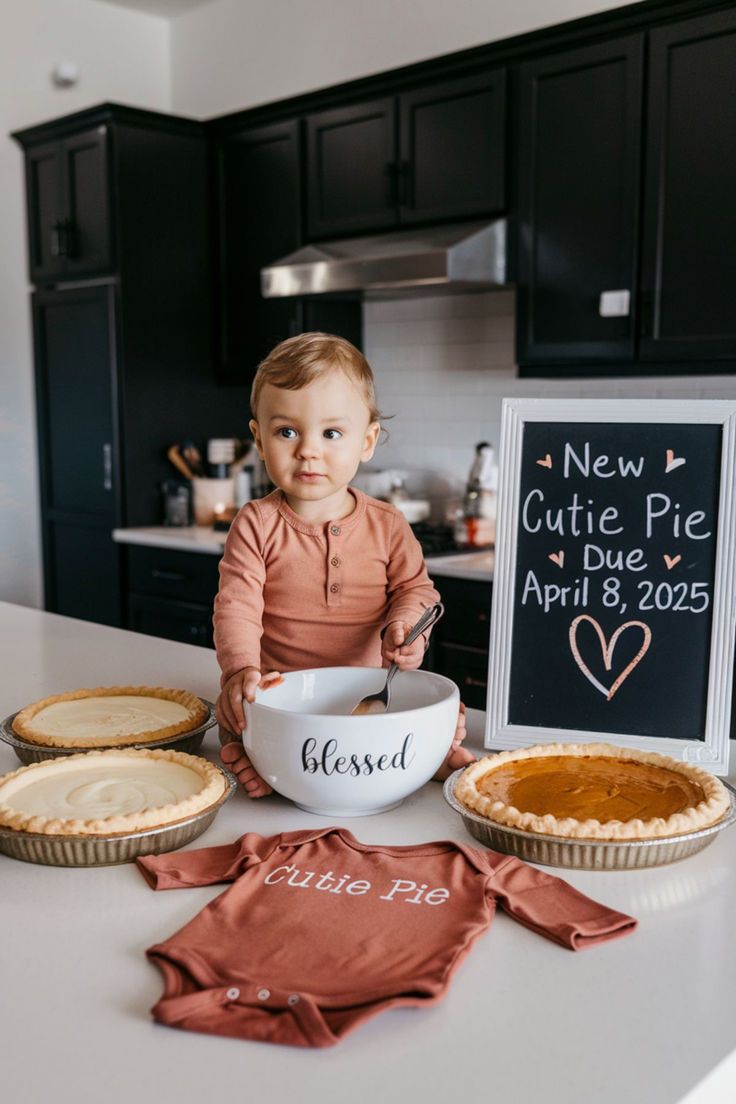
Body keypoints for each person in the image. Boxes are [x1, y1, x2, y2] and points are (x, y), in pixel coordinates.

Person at [214, 332, 474, 797]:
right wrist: (240, 671)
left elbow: (417, 592)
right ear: (258, 438)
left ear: (367, 440)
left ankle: (420, 753)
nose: (308, 449)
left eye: (331, 433)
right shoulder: (255, 523)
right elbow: (237, 606)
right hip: (283, 696)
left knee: (443, 708)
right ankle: (268, 759)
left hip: (370, 692)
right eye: (287, 431)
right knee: (236, 713)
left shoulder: (388, 524)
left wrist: (406, 627)